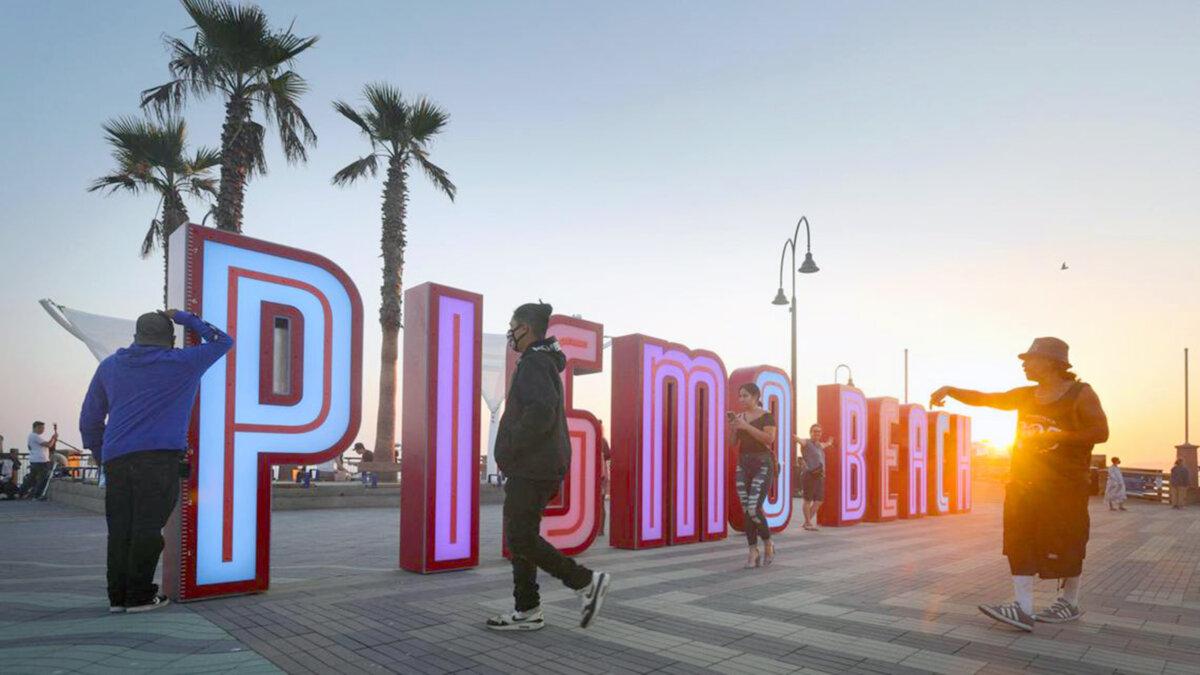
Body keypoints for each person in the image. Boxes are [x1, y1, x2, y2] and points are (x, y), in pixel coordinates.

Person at [931, 337, 1108, 632]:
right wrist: (951, 389)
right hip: (1024, 482)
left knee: (1069, 541)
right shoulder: (1027, 395)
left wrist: (1056, 436)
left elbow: (1100, 431)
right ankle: (1022, 608)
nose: (1024, 364)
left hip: (1065, 486)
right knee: (1017, 538)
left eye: (1030, 359)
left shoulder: (1080, 393)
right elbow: (988, 398)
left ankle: (1069, 603)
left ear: (1051, 363)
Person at [79, 308, 233, 614]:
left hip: (117, 459)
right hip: (159, 461)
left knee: (120, 529)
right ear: (170, 338)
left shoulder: (110, 366)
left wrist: (101, 454)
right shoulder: (182, 363)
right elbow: (222, 341)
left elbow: (90, 418)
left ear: (136, 336)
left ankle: (117, 597)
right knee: (148, 529)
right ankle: (138, 596)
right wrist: (186, 318)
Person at [488, 301, 611, 632]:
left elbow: (541, 410)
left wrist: (511, 448)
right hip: (537, 465)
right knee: (521, 538)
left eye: (513, 326)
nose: (510, 333)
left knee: (521, 539)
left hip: (532, 466)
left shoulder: (534, 363)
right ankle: (527, 610)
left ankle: (586, 582)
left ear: (525, 328)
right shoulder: (542, 362)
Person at [729, 383, 778, 567]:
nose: (741, 399)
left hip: (762, 464)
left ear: (756, 396)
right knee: (746, 511)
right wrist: (734, 427)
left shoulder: (766, 416)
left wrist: (746, 427)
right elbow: (732, 443)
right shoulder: (740, 417)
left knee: (753, 508)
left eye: (745, 396)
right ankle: (752, 551)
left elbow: (769, 439)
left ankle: (768, 543)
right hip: (743, 464)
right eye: (740, 396)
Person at [794, 424, 832, 531]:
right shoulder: (806, 442)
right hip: (809, 475)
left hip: (820, 476)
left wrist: (829, 443)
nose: (817, 433)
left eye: (819, 431)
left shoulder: (819, 445)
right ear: (810, 432)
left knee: (819, 500)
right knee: (808, 500)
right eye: (815, 431)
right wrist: (790, 433)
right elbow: (797, 439)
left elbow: (826, 444)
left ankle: (807, 522)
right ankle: (808, 523)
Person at [21, 421, 58, 500]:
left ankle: (21, 493)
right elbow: (48, 445)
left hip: (35, 460)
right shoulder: (35, 436)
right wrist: (53, 438)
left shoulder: (31, 436)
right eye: (41, 428)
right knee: (42, 479)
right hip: (40, 461)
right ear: (35, 427)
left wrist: (53, 439)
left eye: (43, 428)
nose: (42, 430)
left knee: (31, 478)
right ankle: (37, 495)